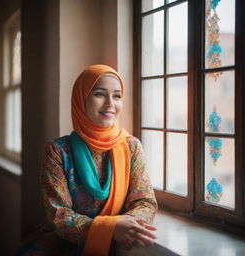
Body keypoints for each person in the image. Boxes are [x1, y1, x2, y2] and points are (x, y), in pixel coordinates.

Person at [17, 64, 158, 256]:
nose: (110, 104)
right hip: (62, 247)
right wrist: (111, 228)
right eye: (100, 94)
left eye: (117, 96)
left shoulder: (131, 147)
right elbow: (59, 215)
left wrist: (127, 225)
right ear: (81, 99)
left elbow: (145, 201)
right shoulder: (58, 151)